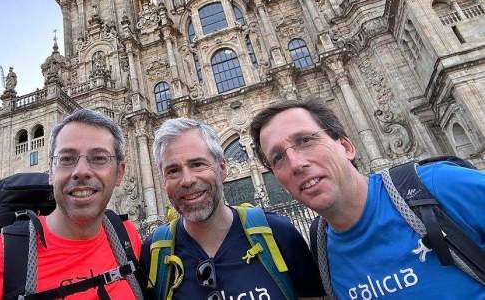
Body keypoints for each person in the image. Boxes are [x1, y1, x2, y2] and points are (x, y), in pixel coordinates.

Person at [250, 98, 485, 299]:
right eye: (278, 157)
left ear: (346, 147)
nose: (296, 164)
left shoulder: (440, 185)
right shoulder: (322, 250)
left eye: (305, 140)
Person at [0, 109, 144, 299]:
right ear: (51, 172)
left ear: (120, 172)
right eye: (67, 159)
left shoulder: (126, 237)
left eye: (99, 158)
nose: (81, 171)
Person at [141, 118, 325, 300]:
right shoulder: (154, 254)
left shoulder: (279, 233)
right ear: (163, 179)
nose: (187, 180)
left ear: (222, 168)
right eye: (173, 170)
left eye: (197, 164)